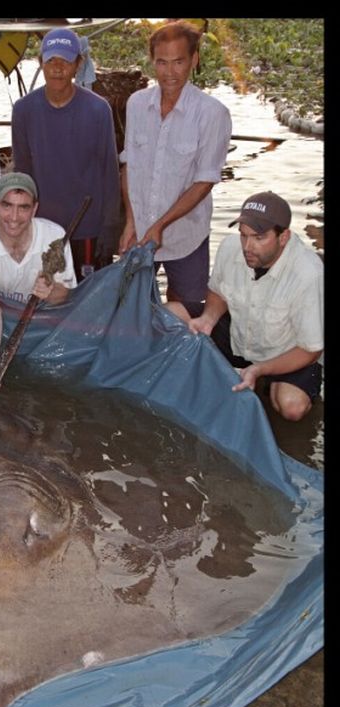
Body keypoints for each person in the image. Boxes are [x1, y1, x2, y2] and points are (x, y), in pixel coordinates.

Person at [165, 192, 323, 422]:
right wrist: (208, 318)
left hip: (284, 351)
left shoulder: (309, 273)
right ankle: (248, 375)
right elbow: (218, 291)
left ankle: (266, 382)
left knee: (292, 407)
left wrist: (260, 369)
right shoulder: (230, 247)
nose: (248, 246)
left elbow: (311, 349)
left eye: (259, 237)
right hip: (239, 333)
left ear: (284, 237)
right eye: (243, 235)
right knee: (167, 314)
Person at [118, 20, 232, 303]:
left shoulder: (212, 113)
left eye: (179, 62)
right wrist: (131, 221)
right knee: (131, 304)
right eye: (162, 62)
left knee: (187, 307)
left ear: (194, 60)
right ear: (152, 61)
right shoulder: (136, 104)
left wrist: (162, 225)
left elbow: (205, 181)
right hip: (141, 230)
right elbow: (129, 165)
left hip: (186, 235)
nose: (170, 72)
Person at [11, 28, 120, 280]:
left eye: (66, 61)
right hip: (43, 227)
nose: (58, 68)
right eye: (51, 60)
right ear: (41, 63)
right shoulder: (24, 110)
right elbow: (22, 174)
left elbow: (109, 172)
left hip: (88, 226)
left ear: (78, 65)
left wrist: (110, 227)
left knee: (88, 299)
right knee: (46, 294)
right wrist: (21, 224)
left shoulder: (98, 109)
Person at [0, 173, 77, 386]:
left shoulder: (54, 237)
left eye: (23, 207)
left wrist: (51, 290)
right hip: (2, 315)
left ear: (34, 209)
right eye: (7, 206)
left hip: (45, 318)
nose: (14, 217)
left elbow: (64, 296)